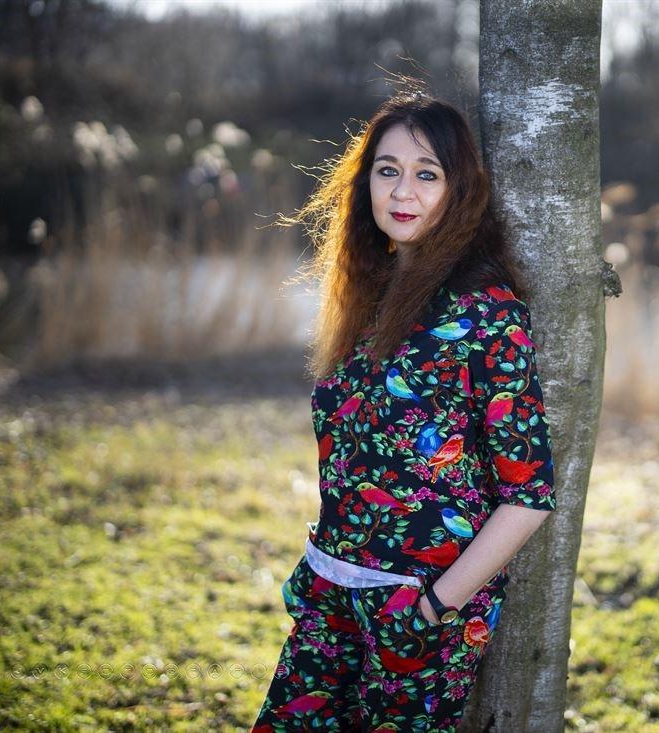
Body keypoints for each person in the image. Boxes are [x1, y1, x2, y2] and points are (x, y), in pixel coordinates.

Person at [251, 91, 557, 733]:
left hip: (418, 611)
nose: (402, 192)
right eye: (387, 170)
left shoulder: (487, 313)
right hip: (330, 589)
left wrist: (433, 608)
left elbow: (527, 495)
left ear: (458, 190)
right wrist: (319, 563)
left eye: (427, 174)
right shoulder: (363, 298)